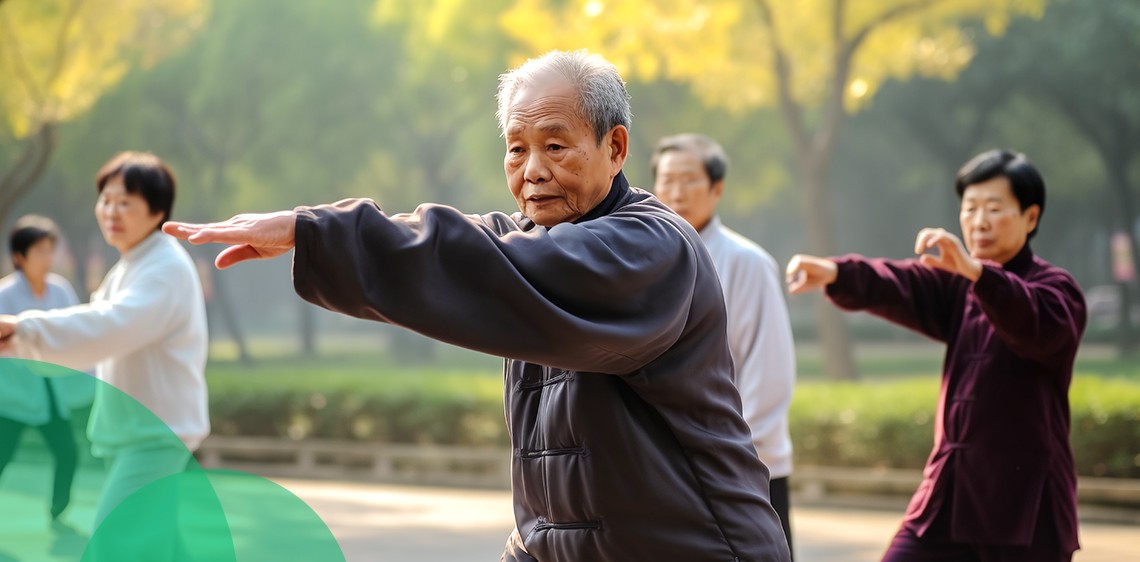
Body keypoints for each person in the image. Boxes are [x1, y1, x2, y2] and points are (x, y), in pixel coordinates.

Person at [163, 50, 790, 562]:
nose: (532, 170)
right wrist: (311, 230)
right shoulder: (534, 242)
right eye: (516, 148)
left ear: (616, 147)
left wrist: (319, 234)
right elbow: (462, 242)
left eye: (556, 146)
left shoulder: (648, 246)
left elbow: (480, 261)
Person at [785, 149, 1085, 561]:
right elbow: (903, 282)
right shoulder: (959, 286)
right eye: (970, 207)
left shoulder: (1056, 290)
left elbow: (1032, 323)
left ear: (1030, 217)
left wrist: (978, 273)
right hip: (949, 495)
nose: (979, 221)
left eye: (994, 208)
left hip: (1024, 507)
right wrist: (837, 272)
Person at [0, 152, 209, 537]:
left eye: (125, 203)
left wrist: (22, 332)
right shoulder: (134, 265)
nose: (111, 211)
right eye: (106, 200)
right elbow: (98, 333)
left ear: (158, 210)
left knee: (115, 543)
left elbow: (108, 326)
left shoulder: (164, 268)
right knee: (155, 549)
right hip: (139, 435)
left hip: (153, 438)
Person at [651, 133, 797, 556]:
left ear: (717, 188)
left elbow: (768, 375)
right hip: (665, 471)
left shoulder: (747, 263)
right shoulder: (645, 258)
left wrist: (727, 457)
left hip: (741, 472)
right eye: (667, 180)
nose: (676, 192)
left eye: (689, 180)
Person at [0, 215, 83, 523]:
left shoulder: (61, 291)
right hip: (11, 398)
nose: (47, 258)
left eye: (50, 250)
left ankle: (57, 509)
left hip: (52, 395)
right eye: (39, 251)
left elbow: (76, 334)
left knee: (68, 454)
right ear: (19, 257)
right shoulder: (3, 296)